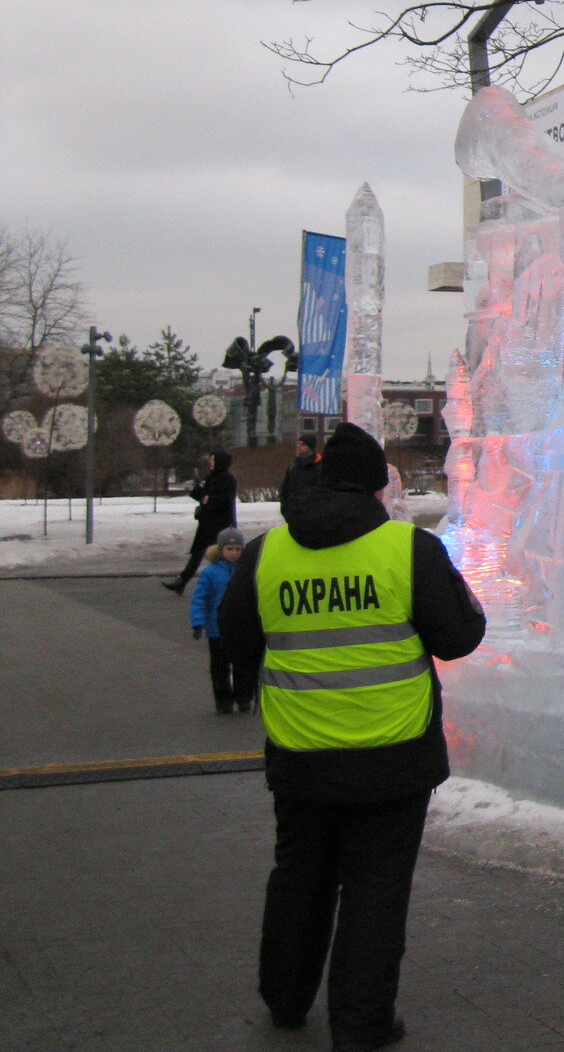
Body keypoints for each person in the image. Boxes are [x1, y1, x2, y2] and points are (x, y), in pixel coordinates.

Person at [219, 421, 485, 1052]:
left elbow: (233, 641)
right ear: (377, 488)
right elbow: (458, 636)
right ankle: (361, 1025)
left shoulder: (267, 552)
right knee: (375, 885)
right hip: (394, 752)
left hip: (300, 749)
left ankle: (286, 1001)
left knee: (299, 873)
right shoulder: (408, 549)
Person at [189, 530, 254, 713]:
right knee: (219, 667)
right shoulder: (210, 573)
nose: (234, 553)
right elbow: (199, 599)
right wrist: (197, 621)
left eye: (237, 549)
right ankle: (223, 699)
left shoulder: (246, 571)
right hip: (217, 629)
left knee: (243, 665)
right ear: (220, 550)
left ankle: (244, 697)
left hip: (242, 628)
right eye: (229, 548)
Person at [166, 450, 238, 595]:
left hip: (221, 525)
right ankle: (182, 581)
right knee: (198, 553)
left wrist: (209, 500)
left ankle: (230, 584)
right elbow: (202, 495)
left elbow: (226, 500)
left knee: (220, 556)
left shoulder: (228, 479)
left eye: (213, 460)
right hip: (206, 523)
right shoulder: (211, 478)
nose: (210, 462)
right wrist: (194, 490)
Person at [279, 435, 321, 521]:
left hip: (314, 515)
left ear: (310, 446)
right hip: (294, 513)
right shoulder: (294, 465)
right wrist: (285, 509)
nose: (298, 447)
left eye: (302, 444)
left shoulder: (321, 465)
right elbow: (285, 488)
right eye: (298, 444)